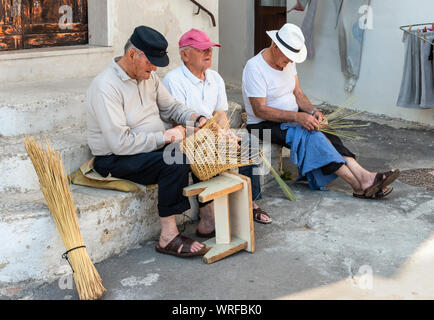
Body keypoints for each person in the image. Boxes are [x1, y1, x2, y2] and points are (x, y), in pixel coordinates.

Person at [86, 26, 210, 258]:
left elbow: (171, 107)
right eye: (150, 62)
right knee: (174, 159)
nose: (154, 68)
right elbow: (119, 144)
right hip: (115, 159)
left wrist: (197, 118)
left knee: (202, 146)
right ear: (133, 54)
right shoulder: (105, 86)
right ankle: (168, 236)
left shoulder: (148, 77)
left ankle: (209, 217)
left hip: (148, 149)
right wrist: (164, 136)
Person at [242, 23, 400, 199]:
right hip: (264, 124)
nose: (290, 62)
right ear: (276, 47)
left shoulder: (287, 62)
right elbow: (260, 110)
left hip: (292, 119)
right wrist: (297, 117)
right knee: (314, 137)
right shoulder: (254, 68)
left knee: (326, 131)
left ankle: (365, 177)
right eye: (288, 58)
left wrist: (312, 111)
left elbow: (298, 94)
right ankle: (358, 183)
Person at [163, 29, 272, 233]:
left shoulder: (214, 77)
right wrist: (215, 136)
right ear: (185, 55)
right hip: (186, 138)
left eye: (210, 49)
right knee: (205, 151)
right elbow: (176, 120)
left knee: (248, 141)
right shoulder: (173, 80)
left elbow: (220, 113)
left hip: (212, 133)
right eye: (202, 49)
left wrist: (225, 133)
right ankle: (208, 218)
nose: (208, 53)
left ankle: (251, 202)